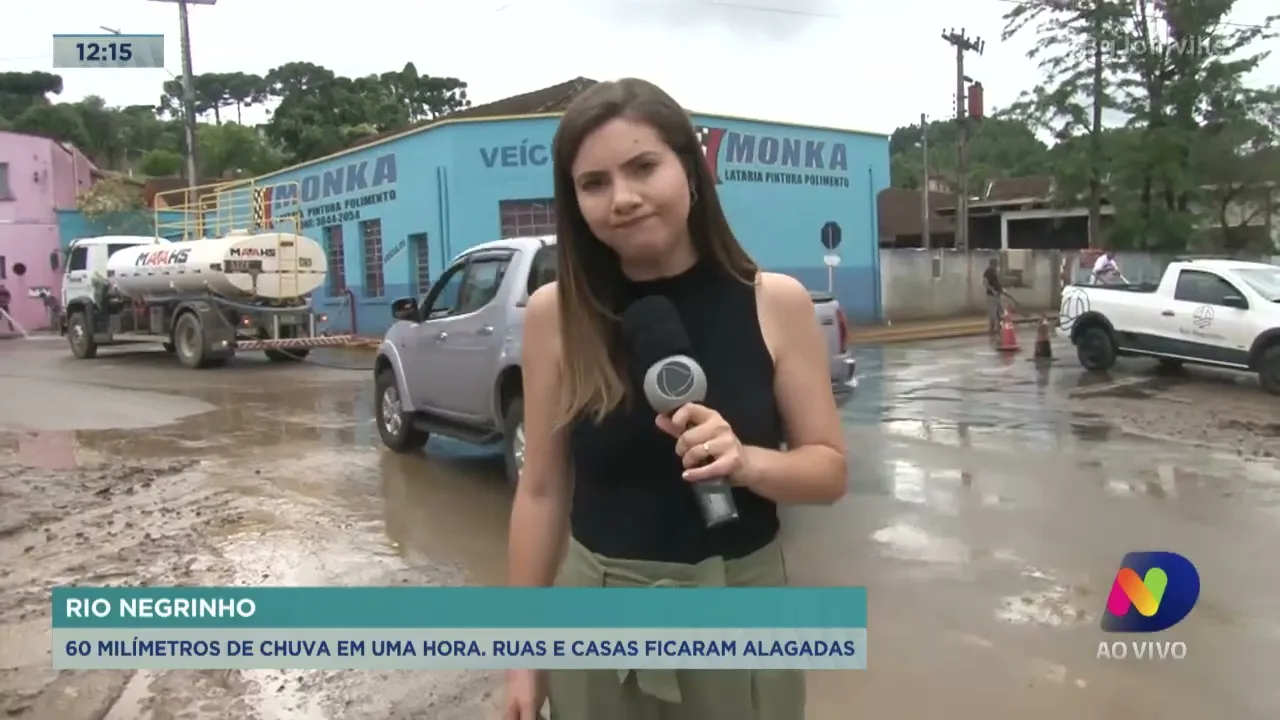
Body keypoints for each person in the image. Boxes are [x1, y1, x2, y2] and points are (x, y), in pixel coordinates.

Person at [505, 78, 848, 720]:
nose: (624, 198)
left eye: (643, 167)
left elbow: (828, 471)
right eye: (595, 183)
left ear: (691, 170)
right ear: (574, 200)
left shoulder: (776, 302)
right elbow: (542, 491)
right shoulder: (556, 315)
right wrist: (524, 656)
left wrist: (746, 462)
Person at [982, 258, 1003, 333]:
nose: (997, 265)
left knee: (998, 311)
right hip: (992, 295)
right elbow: (985, 283)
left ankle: (998, 327)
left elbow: (996, 282)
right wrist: (992, 290)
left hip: (997, 294)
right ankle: (992, 328)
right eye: (996, 264)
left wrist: (1000, 289)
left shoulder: (994, 271)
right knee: (992, 312)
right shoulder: (988, 272)